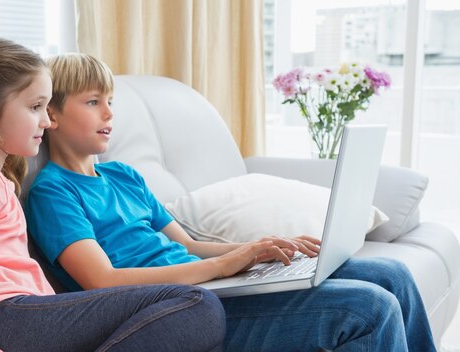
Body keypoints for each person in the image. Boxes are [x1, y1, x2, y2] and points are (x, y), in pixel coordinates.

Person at [25, 52, 437, 352]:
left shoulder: (124, 176)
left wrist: (259, 251)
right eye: (93, 102)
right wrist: (226, 266)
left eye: (111, 101)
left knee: (393, 273)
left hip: (216, 282)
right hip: (187, 306)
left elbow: (187, 245)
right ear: (52, 116)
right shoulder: (54, 191)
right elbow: (102, 281)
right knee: (369, 308)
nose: (108, 113)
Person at [0, 37, 227, 352]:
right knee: (197, 305)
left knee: (202, 335)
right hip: (0, 317)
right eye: (35, 107)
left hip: (23, 312)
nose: (46, 120)